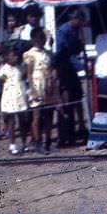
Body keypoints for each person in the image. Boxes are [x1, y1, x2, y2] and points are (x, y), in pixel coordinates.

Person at [23, 28, 59, 154]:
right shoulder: (30, 54)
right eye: (39, 38)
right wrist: (32, 89)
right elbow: (28, 73)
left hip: (48, 85)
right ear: (34, 39)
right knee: (37, 115)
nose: (41, 41)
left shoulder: (48, 53)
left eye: (43, 38)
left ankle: (48, 142)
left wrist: (54, 76)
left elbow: (52, 67)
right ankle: (38, 142)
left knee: (49, 115)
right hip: (37, 85)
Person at [54, 9, 86, 146]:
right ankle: (64, 136)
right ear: (74, 18)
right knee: (66, 104)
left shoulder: (76, 30)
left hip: (71, 70)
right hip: (64, 70)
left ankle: (76, 132)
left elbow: (76, 49)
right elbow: (63, 52)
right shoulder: (64, 31)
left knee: (76, 98)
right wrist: (80, 65)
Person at [0, 44, 29, 154]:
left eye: (16, 55)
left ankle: (24, 143)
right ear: (7, 57)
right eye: (13, 55)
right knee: (11, 122)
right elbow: (1, 82)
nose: (15, 57)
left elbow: (24, 77)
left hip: (21, 97)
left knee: (23, 121)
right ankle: (12, 145)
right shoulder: (4, 69)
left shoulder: (21, 67)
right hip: (9, 98)